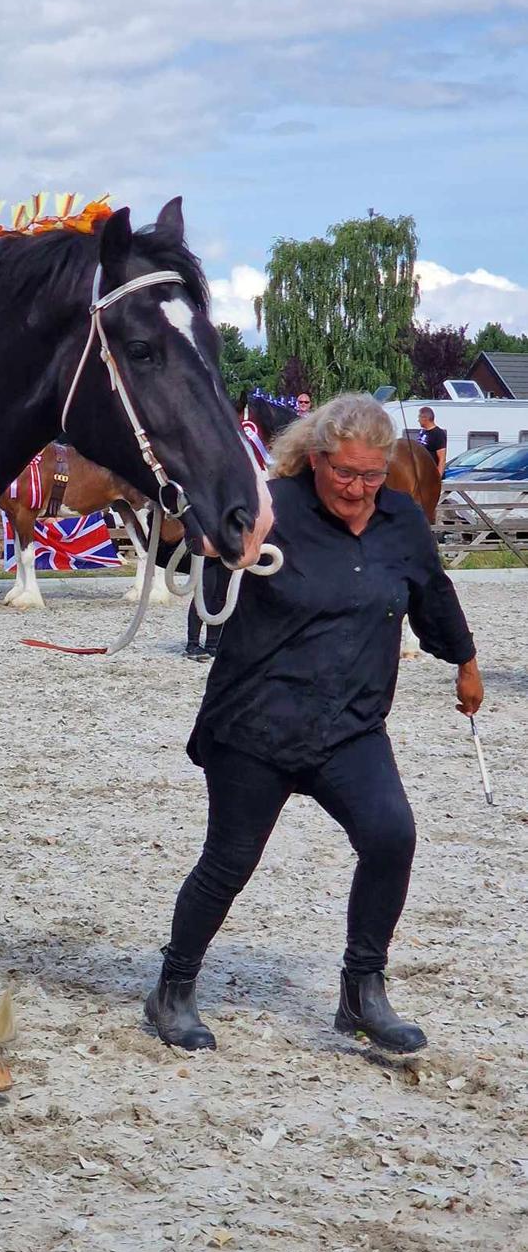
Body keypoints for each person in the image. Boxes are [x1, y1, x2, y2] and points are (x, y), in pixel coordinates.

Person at [145, 394, 483, 1055]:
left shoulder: (401, 522)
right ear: (317, 459)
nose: (357, 490)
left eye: (372, 476)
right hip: (256, 722)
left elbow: (433, 594)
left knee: (391, 837)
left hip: (351, 725)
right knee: (230, 861)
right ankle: (173, 989)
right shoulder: (272, 505)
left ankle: (362, 992)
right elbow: (189, 560)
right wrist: (189, 531)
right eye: (344, 474)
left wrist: (465, 662)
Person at [417, 407, 447, 476]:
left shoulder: (438, 433)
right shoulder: (422, 432)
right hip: (420, 472)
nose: (418, 420)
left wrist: (438, 477)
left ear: (425, 418)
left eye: (419, 417)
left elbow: (442, 459)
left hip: (431, 475)